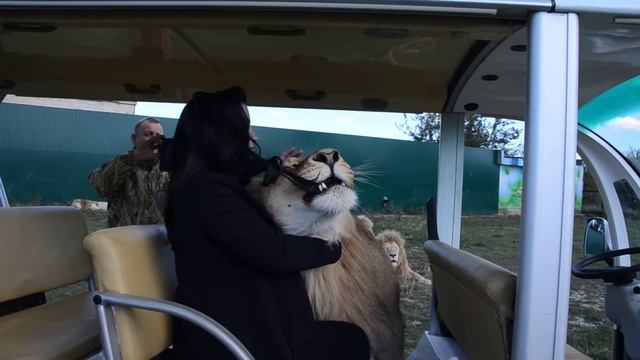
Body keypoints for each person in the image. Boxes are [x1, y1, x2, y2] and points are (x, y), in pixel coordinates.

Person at [164, 86, 370, 360]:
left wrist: (273, 164)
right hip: (234, 336)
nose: (253, 136)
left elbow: (245, 178)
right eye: (245, 127)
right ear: (222, 134)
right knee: (350, 342)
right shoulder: (206, 192)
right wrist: (334, 248)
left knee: (350, 337)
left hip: (250, 322)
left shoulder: (209, 187)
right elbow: (272, 252)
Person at [89, 117, 169, 227]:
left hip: (158, 240)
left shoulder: (168, 170)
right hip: (123, 239)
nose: (154, 141)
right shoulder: (121, 164)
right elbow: (102, 187)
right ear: (134, 139)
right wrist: (135, 157)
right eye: (148, 135)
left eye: (159, 137)